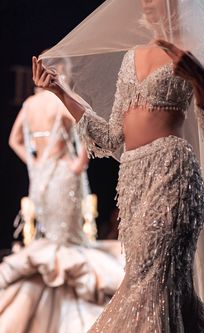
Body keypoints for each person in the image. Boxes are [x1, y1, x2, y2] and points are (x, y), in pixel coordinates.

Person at [32, 0, 204, 331]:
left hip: (173, 174)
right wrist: (60, 91)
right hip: (133, 181)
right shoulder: (133, 56)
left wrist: (200, 82)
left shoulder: (194, 52)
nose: (145, 3)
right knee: (145, 282)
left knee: (157, 285)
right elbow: (112, 137)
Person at [0, 87, 124, 333]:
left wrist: (34, 161)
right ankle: (65, 303)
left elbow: (14, 140)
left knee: (53, 237)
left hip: (42, 176)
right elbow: (85, 130)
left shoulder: (29, 105)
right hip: (64, 176)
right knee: (68, 240)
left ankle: (53, 299)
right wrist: (80, 162)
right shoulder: (59, 104)